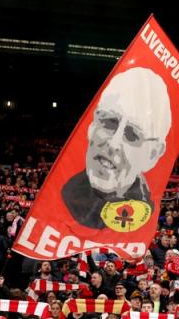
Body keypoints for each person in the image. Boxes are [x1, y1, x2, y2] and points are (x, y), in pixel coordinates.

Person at [61, 67, 173, 231]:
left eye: (132, 135)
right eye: (109, 122)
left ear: (153, 155)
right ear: (91, 126)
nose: (113, 143)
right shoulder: (62, 193)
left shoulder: (144, 220)